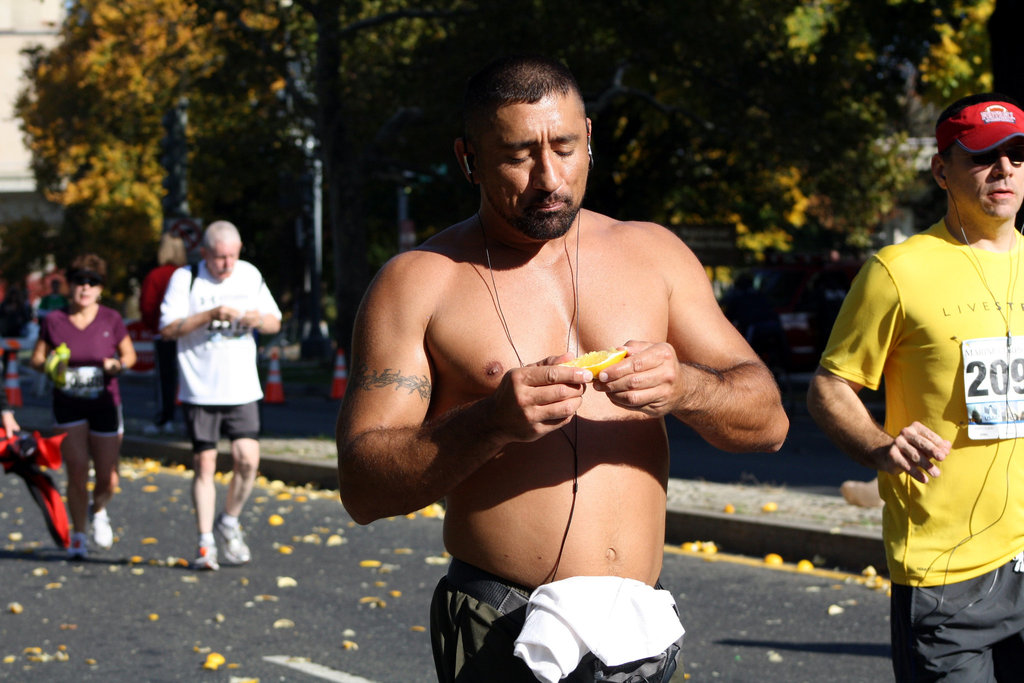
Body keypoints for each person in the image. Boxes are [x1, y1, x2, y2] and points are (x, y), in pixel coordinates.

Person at [336, 55, 789, 682]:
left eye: (566, 147)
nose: (550, 178)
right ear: (469, 160)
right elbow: (362, 487)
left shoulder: (653, 253)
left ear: (590, 139)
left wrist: (685, 387)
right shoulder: (419, 282)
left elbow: (768, 422)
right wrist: (492, 422)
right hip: (502, 623)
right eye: (519, 155)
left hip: (636, 629)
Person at [807, 93, 1024, 681]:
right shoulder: (897, 270)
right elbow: (828, 388)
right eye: (982, 156)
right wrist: (881, 447)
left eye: (1017, 154)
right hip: (948, 572)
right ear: (940, 170)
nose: (1004, 169)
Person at [159, 220, 281, 571]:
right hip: (200, 388)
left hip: (242, 387)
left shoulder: (249, 275)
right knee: (205, 464)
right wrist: (210, 314)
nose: (226, 264)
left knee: (247, 460)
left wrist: (258, 319)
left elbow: (275, 322)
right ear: (204, 253)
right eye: (219, 258)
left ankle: (228, 521)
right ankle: (204, 542)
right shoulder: (187, 278)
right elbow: (167, 329)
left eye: (231, 256)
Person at [30, 254, 136, 559]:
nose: (85, 287)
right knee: (76, 472)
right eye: (80, 281)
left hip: (104, 402)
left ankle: (98, 509)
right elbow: (37, 359)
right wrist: (51, 365)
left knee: (107, 477)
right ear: (70, 285)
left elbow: (129, 356)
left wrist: (117, 365)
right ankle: (78, 536)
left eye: (93, 282)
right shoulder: (54, 321)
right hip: (68, 404)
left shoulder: (111, 319)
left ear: (100, 288)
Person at [139, 233, 187, 435]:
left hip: (164, 334)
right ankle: (190, 420)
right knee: (187, 378)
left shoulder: (156, 275)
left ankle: (163, 418)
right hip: (188, 333)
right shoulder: (188, 274)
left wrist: (154, 327)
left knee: (164, 379)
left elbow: (147, 306)